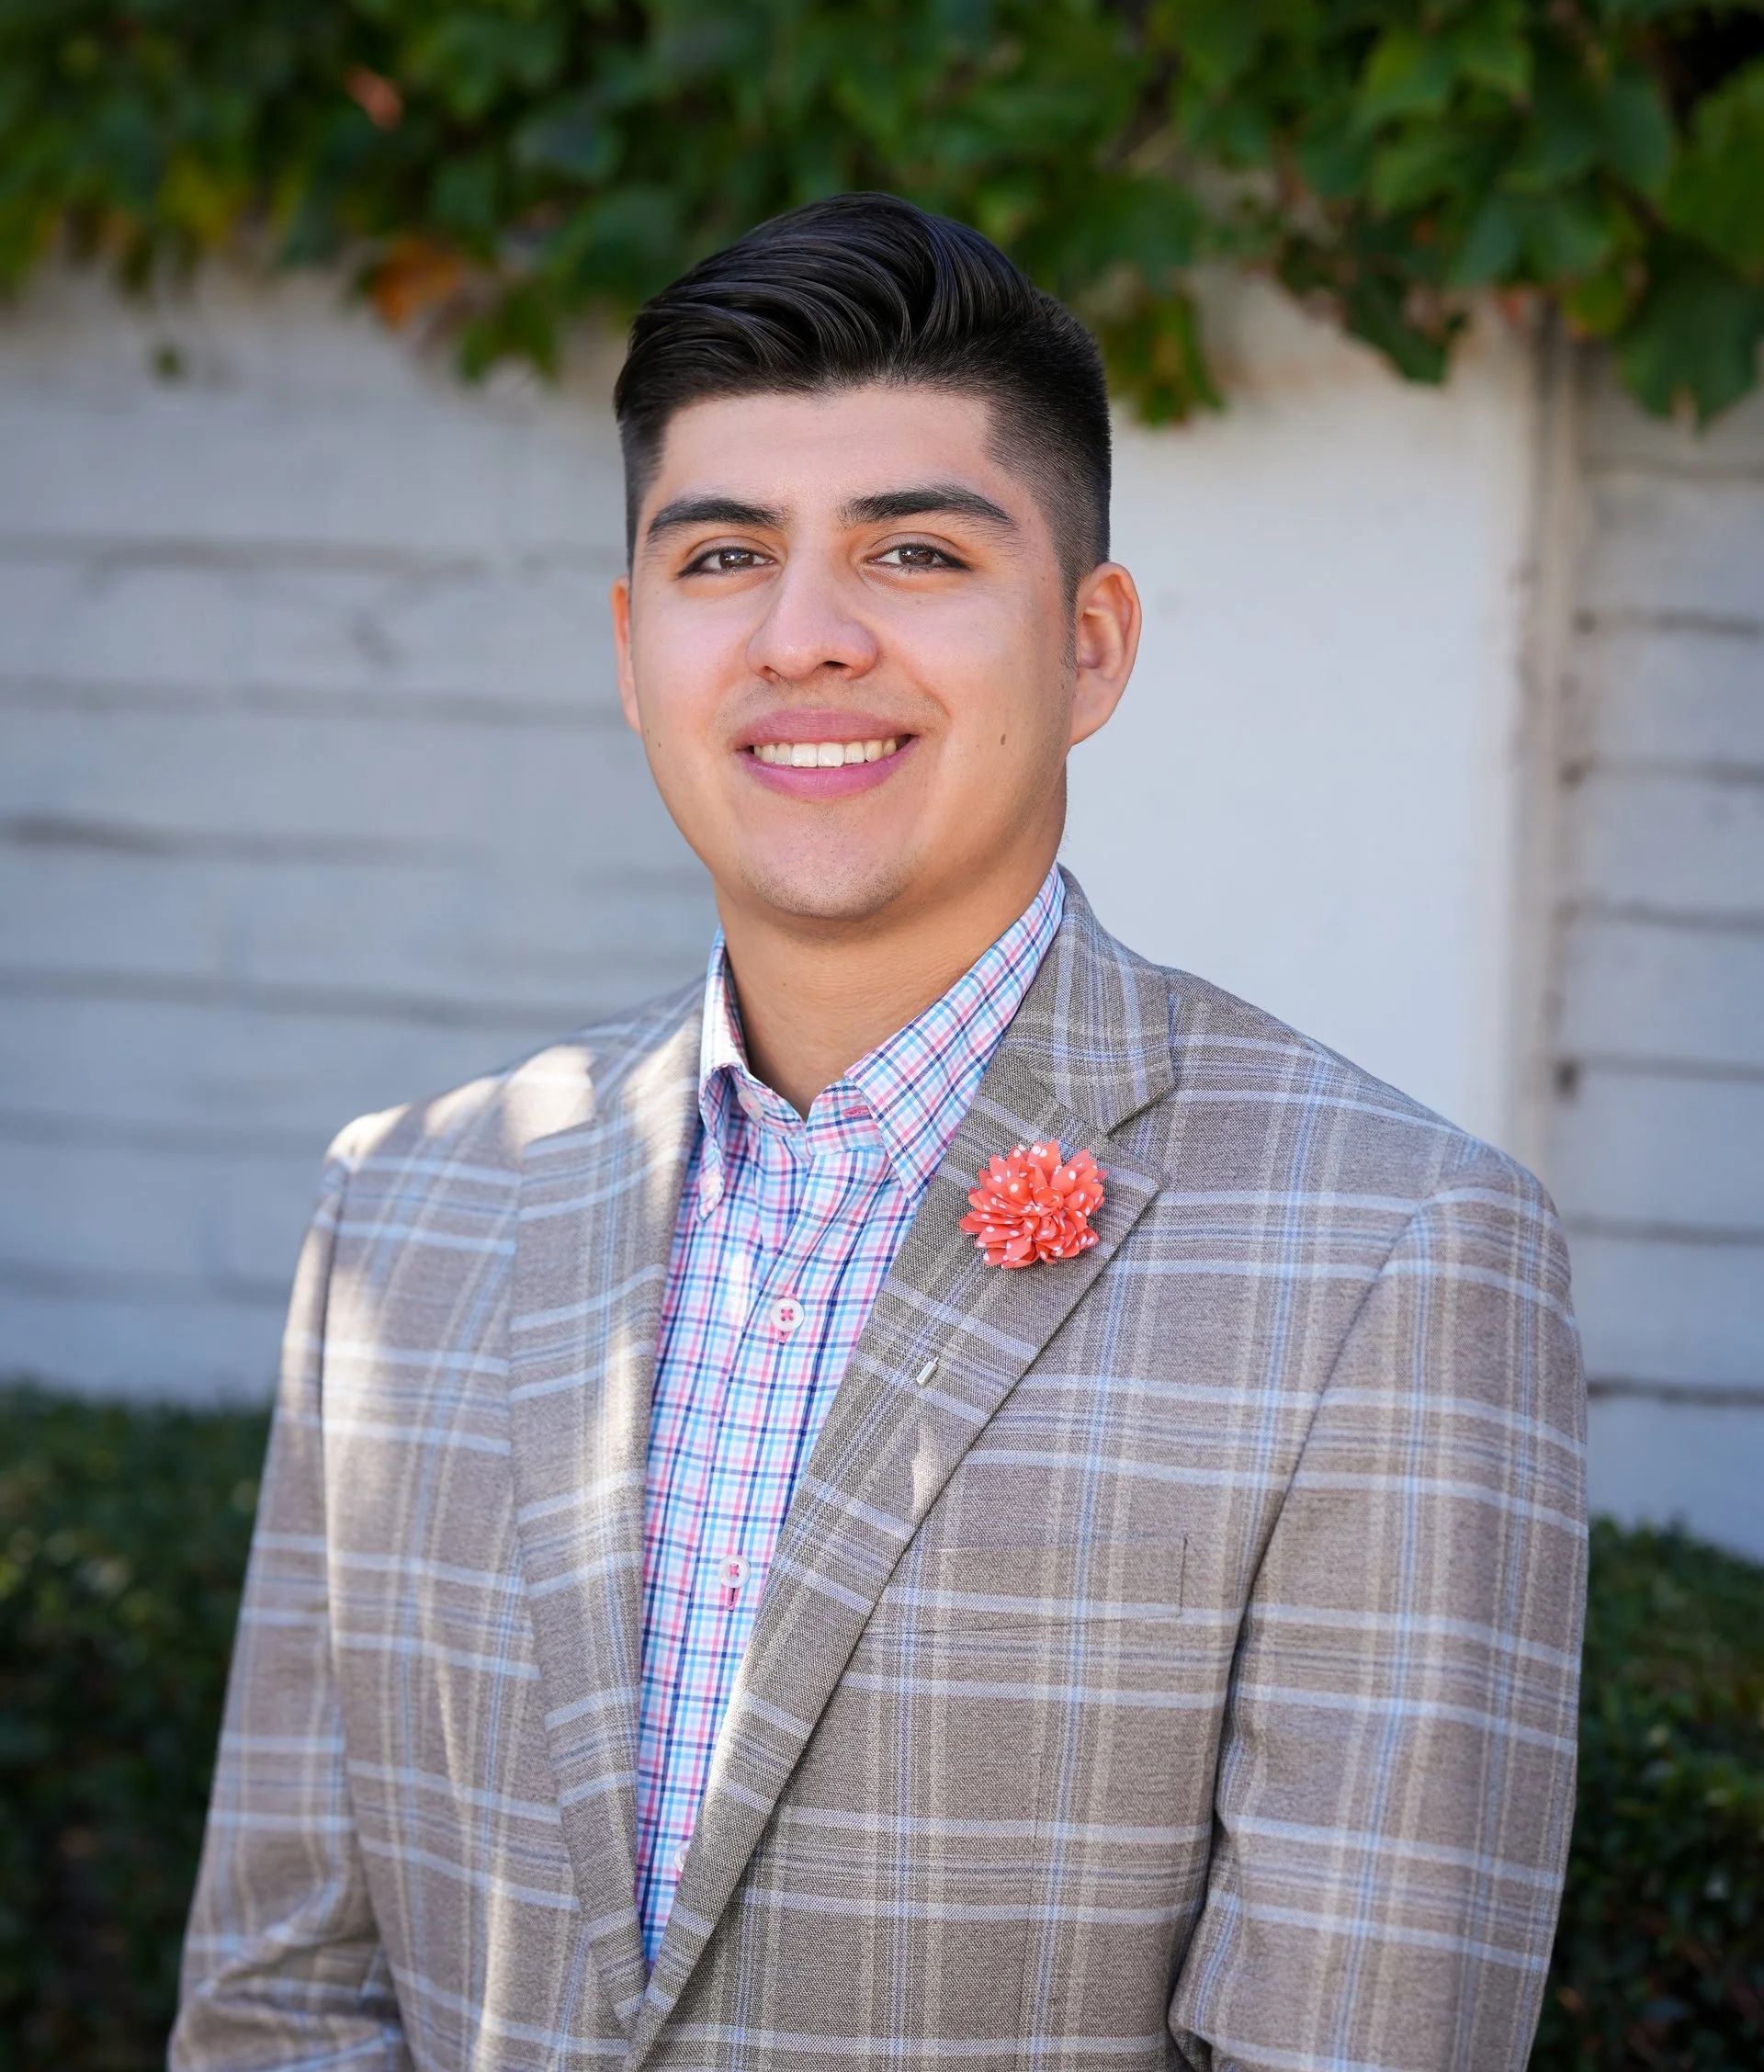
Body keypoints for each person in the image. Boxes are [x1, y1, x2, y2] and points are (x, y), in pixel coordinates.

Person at [171, 193, 1587, 2072]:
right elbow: (277, 2001)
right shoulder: (411, 1208)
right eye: (724, 556)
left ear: (1090, 645)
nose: (804, 636)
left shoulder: (1397, 1258)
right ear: (630, 648)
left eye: (914, 551)